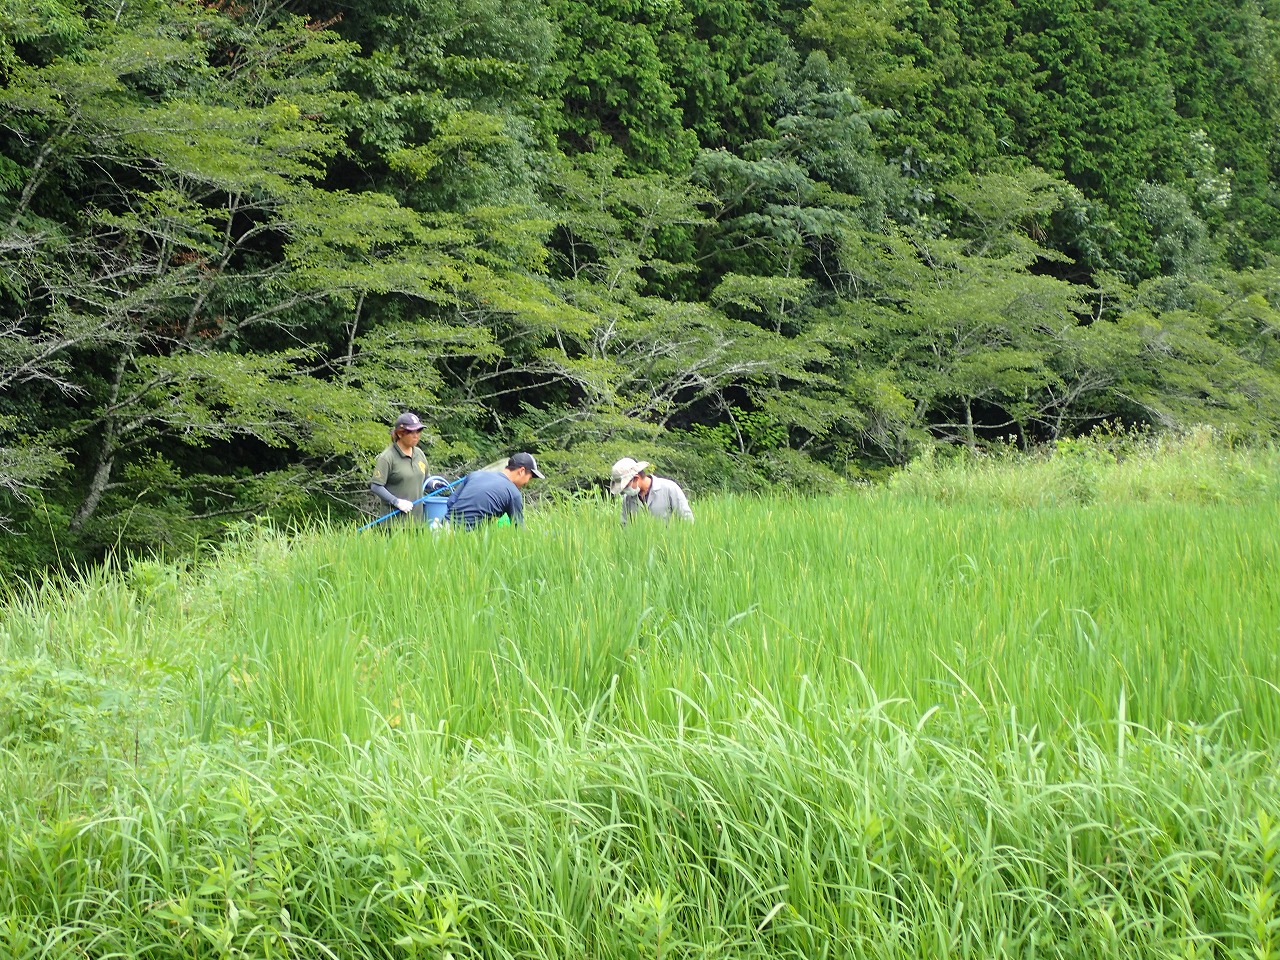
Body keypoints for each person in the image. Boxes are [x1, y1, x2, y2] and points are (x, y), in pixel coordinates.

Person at [445, 452, 544, 529]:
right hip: (466, 535)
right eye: (529, 478)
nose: (527, 482)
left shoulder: (475, 475)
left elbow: (451, 502)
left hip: (442, 527)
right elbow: (518, 528)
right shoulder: (513, 493)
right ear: (522, 471)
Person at [370, 412, 430, 524]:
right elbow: (376, 486)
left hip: (418, 522)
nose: (416, 435)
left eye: (418, 431)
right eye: (411, 432)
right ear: (400, 434)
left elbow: (426, 479)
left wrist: (434, 483)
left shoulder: (419, 454)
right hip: (393, 523)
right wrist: (396, 501)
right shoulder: (387, 457)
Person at [609, 457, 694, 526]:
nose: (625, 491)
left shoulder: (669, 488)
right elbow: (625, 527)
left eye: (626, 486)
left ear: (636, 478)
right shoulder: (627, 499)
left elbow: (687, 521)